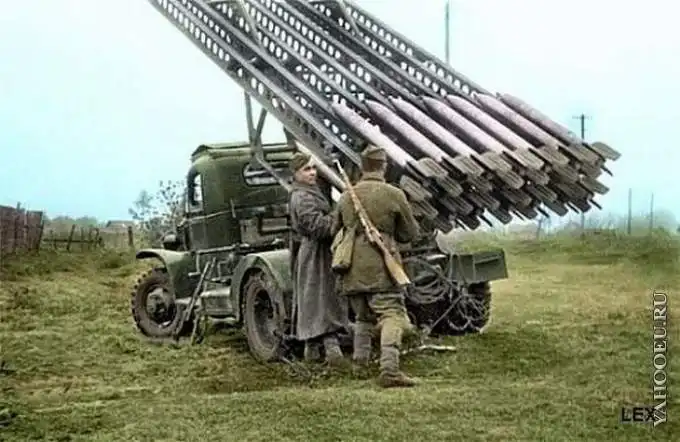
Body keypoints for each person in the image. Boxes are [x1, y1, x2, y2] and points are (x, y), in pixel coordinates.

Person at [333, 145, 421, 388]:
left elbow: (334, 229)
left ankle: (360, 364)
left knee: (363, 316)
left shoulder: (346, 196)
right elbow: (409, 233)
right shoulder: (393, 194)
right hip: (381, 267)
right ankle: (389, 369)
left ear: (362, 167)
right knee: (393, 314)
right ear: (384, 166)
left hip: (351, 267)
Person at [288, 151, 349, 367]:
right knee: (321, 299)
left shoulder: (309, 192)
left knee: (315, 300)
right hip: (316, 254)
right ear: (296, 174)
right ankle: (332, 352)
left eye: (313, 168)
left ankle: (312, 353)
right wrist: (339, 214)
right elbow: (318, 228)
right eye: (307, 169)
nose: (312, 173)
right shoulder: (302, 197)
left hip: (318, 252)